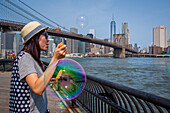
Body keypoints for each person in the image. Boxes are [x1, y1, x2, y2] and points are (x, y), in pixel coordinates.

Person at [9, 21, 67, 113]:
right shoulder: (25, 57)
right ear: (33, 38)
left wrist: (49, 79)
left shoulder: (33, 59)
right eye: (46, 35)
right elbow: (37, 89)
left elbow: (36, 82)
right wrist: (55, 58)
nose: (48, 39)